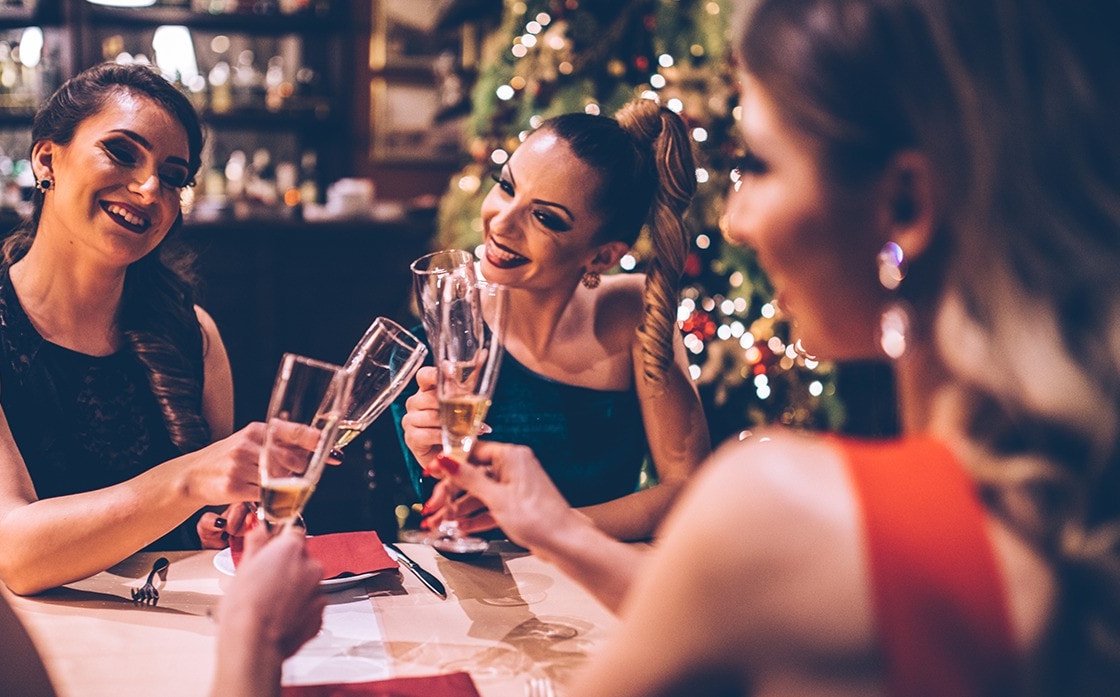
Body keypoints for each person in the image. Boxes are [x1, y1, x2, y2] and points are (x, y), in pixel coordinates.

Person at [442, 0, 1120, 693]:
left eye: (759, 165)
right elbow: (725, 615)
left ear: (905, 206)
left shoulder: (774, 502)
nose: (736, 221)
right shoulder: (1057, 521)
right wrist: (556, 530)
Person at [0, 61, 274, 595]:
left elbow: (202, 525)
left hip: (166, 631)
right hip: (12, 641)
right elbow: (15, 551)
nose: (149, 188)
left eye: (172, 177)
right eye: (122, 152)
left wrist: (229, 522)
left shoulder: (194, 333)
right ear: (47, 159)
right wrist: (190, 480)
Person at [398, 97, 713, 542]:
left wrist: (549, 526)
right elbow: (445, 521)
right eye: (506, 186)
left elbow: (689, 492)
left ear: (602, 256)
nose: (501, 223)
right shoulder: (446, 328)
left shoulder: (632, 312)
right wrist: (428, 458)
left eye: (545, 217)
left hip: (593, 575)